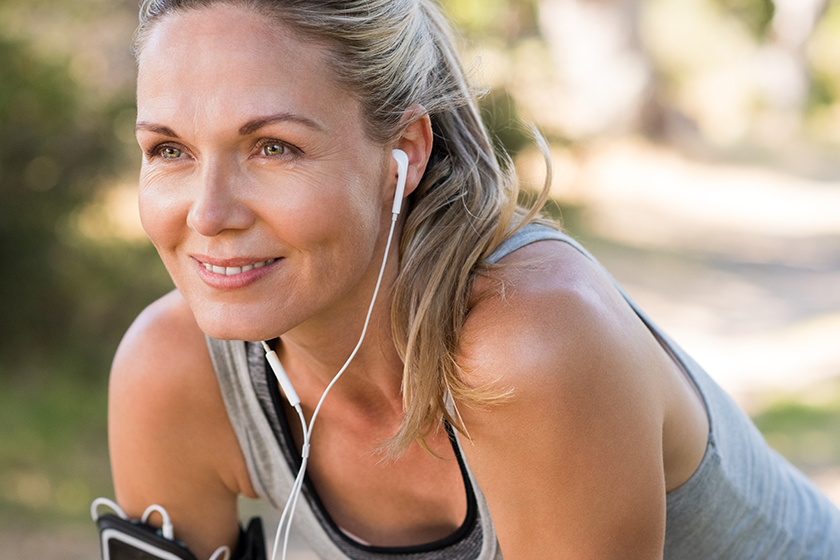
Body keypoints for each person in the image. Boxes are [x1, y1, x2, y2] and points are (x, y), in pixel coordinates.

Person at [105, 0, 840, 559]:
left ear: (406, 152)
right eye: (169, 150)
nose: (208, 212)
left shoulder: (528, 344)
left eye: (273, 147)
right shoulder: (173, 372)